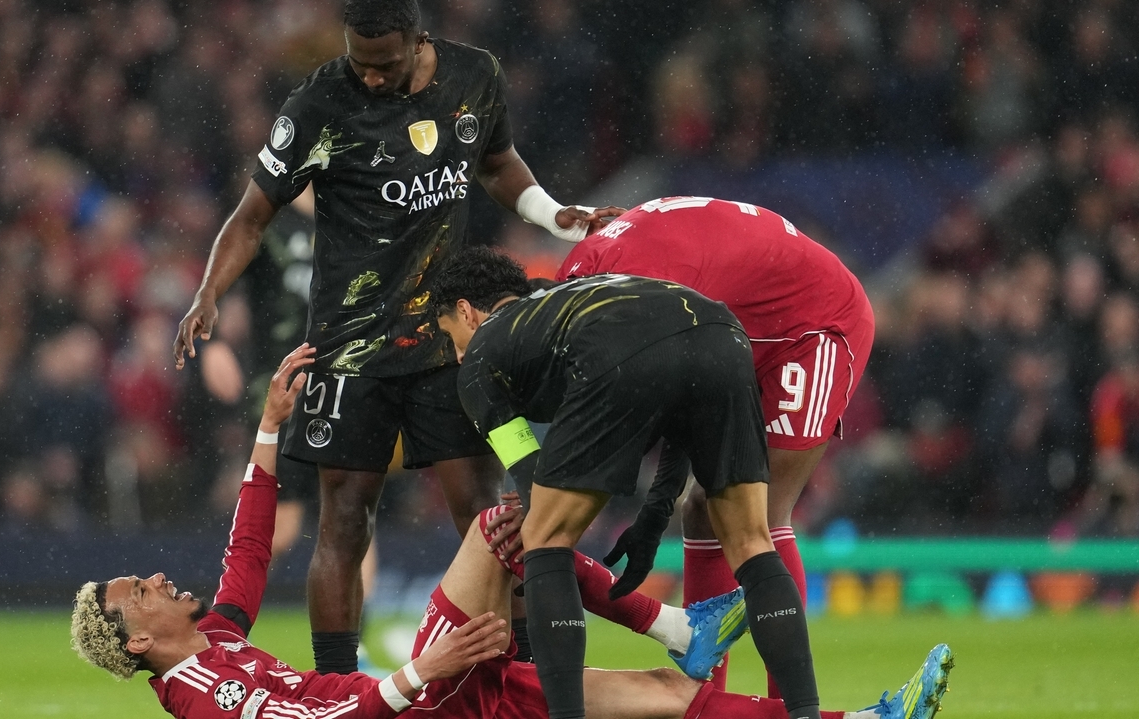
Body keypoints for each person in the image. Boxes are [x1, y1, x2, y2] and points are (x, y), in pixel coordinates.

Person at [71, 344, 955, 719]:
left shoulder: (214, 634)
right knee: (504, 524)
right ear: (137, 636)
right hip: (422, 700)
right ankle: (679, 624)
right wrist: (426, 670)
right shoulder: (193, 691)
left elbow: (250, 549)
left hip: (436, 696)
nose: (152, 578)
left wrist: (270, 428)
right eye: (137, 591)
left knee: (661, 697)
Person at [171, 0, 621, 674]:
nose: (372, 78)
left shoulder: (474, 77)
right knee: (345, 520)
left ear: (419, 39)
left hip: (449, 341)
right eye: (360, 62)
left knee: (486, 512)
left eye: (384, 64)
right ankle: (338, 684)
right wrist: (208, 293)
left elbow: (497, 164)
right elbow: (251, 214)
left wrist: (557, 216)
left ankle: (520, 673)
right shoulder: (320, 102)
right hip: (349, 350)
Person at [431, 248, 823, 719]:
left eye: (450, 337)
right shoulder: (564, 298)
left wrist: (539, 516)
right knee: (753, 542)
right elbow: (680, 397)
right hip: (721, 332)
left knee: (543, 539)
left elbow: (530, 479)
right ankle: (806, 714)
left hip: (622, 344)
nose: (456, 354)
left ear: (466, 312)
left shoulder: (480, 359)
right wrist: (655, 512)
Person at [553, 196, 877, 693]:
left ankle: (786, 703)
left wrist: (649, 508)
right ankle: (704, 695)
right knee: (703, 508)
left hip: (813, 323)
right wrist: (658, 507)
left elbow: (680, 381)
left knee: (758, 514)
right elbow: (689, 392)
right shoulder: (588, 280)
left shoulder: (630, 304)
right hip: (742, 327)